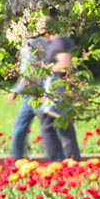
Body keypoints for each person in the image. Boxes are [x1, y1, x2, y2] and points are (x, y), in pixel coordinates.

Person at [5, 17, 50, 160]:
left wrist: (15, 91)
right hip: (43, 93)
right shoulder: (50, 43)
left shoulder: (31, 44)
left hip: (35, 93)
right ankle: (56, 159)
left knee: (20, 128)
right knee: (48, 130)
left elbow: (29, 72)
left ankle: (18, 159)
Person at [36, 31, 82, 162]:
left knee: (55, 126)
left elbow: (65, 64)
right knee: (55, 126)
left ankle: (65, 161)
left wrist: (45, 69)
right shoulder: (54, 43)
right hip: (54, 91)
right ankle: (67, 161)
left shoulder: (60, 41)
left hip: (57, 91)